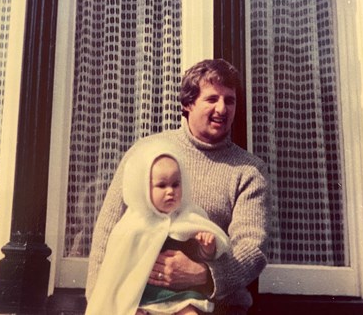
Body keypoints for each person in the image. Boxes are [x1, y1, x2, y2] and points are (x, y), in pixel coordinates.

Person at [86, 58, 271, 314]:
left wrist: (203, 275)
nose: (222, 108)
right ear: (187, 104)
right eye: (212, 99)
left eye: (230, 100)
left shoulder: (249, 170)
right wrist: (100, 302)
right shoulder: (148, 153)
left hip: (216, 308)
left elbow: (251, 248)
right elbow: (108, 230)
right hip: (138, 305)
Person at [85, 140, 231, 315]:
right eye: (162, 185)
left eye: (175, 184)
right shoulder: (133, 224)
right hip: (140, 295)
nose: (170, 191)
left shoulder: (190, 218)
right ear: (145, 188)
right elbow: (117, 268)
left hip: (178, 294)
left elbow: (197, 255)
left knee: (190, 312)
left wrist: (207, 248)